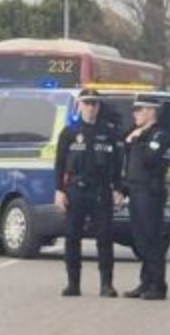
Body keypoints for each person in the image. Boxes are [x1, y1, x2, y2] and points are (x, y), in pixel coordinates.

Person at [51, 90, 120, 297]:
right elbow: (59, 164)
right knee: (72, 237)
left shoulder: (109, 132)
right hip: (75, 190)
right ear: (80, 106)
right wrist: (59, 190)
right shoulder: (69, 133)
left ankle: (106, 284)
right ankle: (73, 284)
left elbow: (117, 164)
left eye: (94, 104)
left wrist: (118, 188)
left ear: (99, 107)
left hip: (100, 189)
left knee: (105, 238)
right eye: (87, 104)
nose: (90, 108)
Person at [120, 97, 170, 301]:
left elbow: (150, 159)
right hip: (135, 190)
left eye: (139, 110)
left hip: (150, 192)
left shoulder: (160, 135)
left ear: (152, 111)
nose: (135, 114)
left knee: (152, 240)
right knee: (140, 240)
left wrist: (137, 139)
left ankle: (158, 285)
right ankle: (146, 282)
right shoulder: (137, 133)